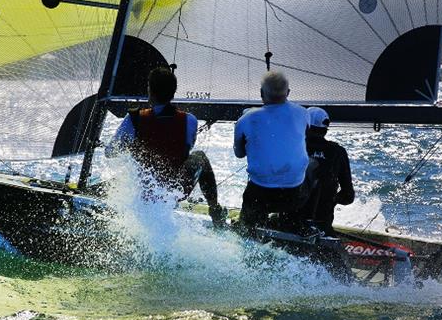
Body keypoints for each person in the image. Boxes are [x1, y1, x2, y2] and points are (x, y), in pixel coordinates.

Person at [106, 67, 227, 226]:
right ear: (174, 91)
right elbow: (187, 148)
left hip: (145, 194)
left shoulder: (134, 119)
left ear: (150, 90)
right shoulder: (190, 120)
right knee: (200, 157)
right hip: (174, 193)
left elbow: (110, 153)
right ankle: (215, 210)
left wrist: (131, 145)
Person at [233, 71, 312, 232]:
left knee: (250, 216)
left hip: (261, 194)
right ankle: (301, 222)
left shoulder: (246, 119)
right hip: (295, 194)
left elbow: (239, 153)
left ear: (261, 93)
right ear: (288, 92)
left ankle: (249, 228)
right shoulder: (304, 113)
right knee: (313, 166)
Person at [296, 107, 355, 234]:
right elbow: (348, 196)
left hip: (290, 223)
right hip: (322, 226)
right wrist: (332, 200)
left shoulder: (294, 146)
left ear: (305, 126)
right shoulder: (338, 152)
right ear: (325, 130)